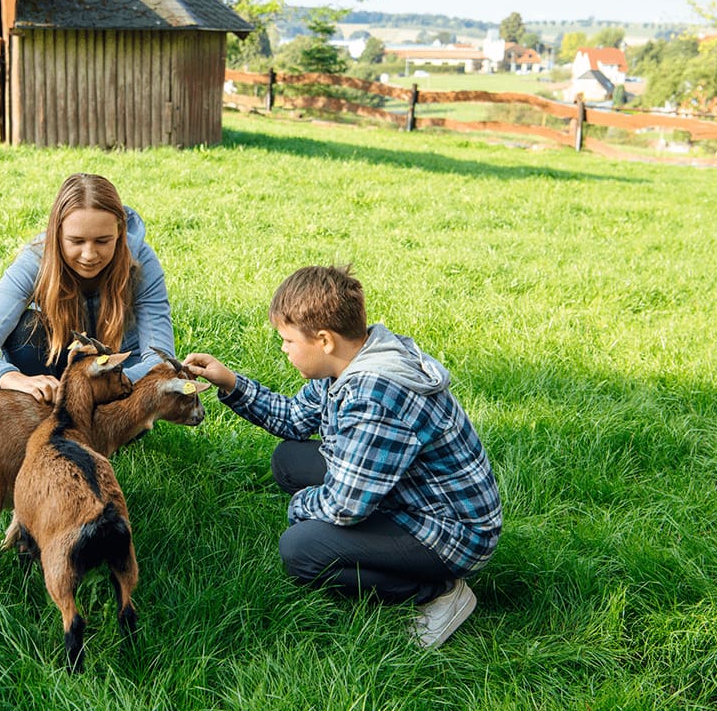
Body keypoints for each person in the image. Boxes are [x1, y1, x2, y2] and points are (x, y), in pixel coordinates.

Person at [183, 265, 501, 648]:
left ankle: (438, 591)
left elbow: (344, 506)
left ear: (324, 340)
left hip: (450, 532)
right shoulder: (349, 361)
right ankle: (394, 555)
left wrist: (301, 508)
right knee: (289, 460)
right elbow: (294, 419)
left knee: (301, 550)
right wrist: (231, 382)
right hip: (409, 495)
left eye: (287, 340)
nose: (283, 349)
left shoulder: (374, 398)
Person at [0, 173, 175, 402]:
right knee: (25, 329)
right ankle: (44, 411)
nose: (89, 255)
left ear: (120, 233)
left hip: (119, 385)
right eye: (76, 241)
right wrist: (15, 379)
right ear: (57, 234)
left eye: (102, 241)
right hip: (54, 379)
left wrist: (105, 384)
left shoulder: (140, 262)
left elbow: (162, 360)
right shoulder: (36, 261)